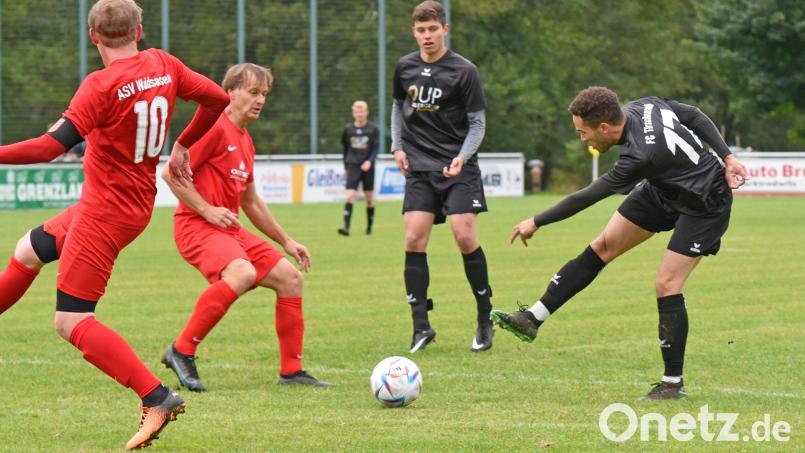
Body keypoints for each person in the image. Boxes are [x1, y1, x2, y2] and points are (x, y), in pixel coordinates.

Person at [0, 0, 229, 448]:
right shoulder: (163, 63)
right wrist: (183, 144)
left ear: (93, 37)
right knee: (28, 250)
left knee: (71, 321)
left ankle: (157, 396)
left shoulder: (99, 85)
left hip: (104, 213)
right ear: (139, 30)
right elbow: (218, 99)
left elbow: (50, 148)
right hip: (128, 204)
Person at [491, 86, 749, 400]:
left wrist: (536, 220)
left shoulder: (640, 155)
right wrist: (728, 155)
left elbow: (589, 195)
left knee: (667, 284)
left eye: (583, 132)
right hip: (663, 188)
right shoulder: (642, 105)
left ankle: (672, 384)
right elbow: (693, 114)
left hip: (704, 201)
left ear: (603, 127)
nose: (582, 139)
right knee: (603, 246)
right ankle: (532, 318)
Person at [161, 63, 334, 391]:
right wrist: (206, 209)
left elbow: (251, 202)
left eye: (264, 94)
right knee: (241, 273)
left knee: (290, 278)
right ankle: (181, 350)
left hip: (230, 228)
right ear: (230, 93)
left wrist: (287, 240)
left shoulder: (245, 140)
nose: (260, 100)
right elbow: (171, 173)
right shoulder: (212, 128)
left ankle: (292, 371)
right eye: (253, 92)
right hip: (196, 226)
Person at [391, 1, 493, 353]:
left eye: (433, 29)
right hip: (419, 167)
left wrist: (462, 158)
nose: (427, 36)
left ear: (444, 29)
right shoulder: (404, 67)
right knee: (414, 238)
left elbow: (478, 123)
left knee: (464, 235)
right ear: (414, 32)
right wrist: (397, 147)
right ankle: (421, 325)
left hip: (457, 168)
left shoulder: (464, 71)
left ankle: (484, 317)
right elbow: (396, 107)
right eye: (421, 30)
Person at [338, 100, 379, 236]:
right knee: (349, 196)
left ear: (366, 113)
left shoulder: (373, 129)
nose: (359, 114)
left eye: (362, 111)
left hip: (368, 168)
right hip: (353, 166)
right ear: (353, 113)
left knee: (369, 199)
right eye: (357, 111)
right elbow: (345, 148)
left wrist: (369, 161)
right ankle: (346, 228)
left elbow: (375, 148)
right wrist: (345, 165)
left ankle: (369, 228)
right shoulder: (348, 129)